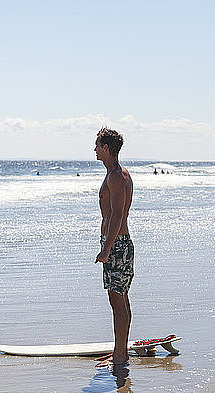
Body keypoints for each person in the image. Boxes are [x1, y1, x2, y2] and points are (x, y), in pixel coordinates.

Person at [94, 127, 134, 367]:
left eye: (97, 145)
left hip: (117, 244)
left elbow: (118, 214)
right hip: (117, 243)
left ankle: (120, 355)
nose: (95, 149)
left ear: (106, 148)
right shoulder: (115, 174)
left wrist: (107, 248)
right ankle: (121, 351)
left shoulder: (117, 176)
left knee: (117, 301)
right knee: (119, 300)